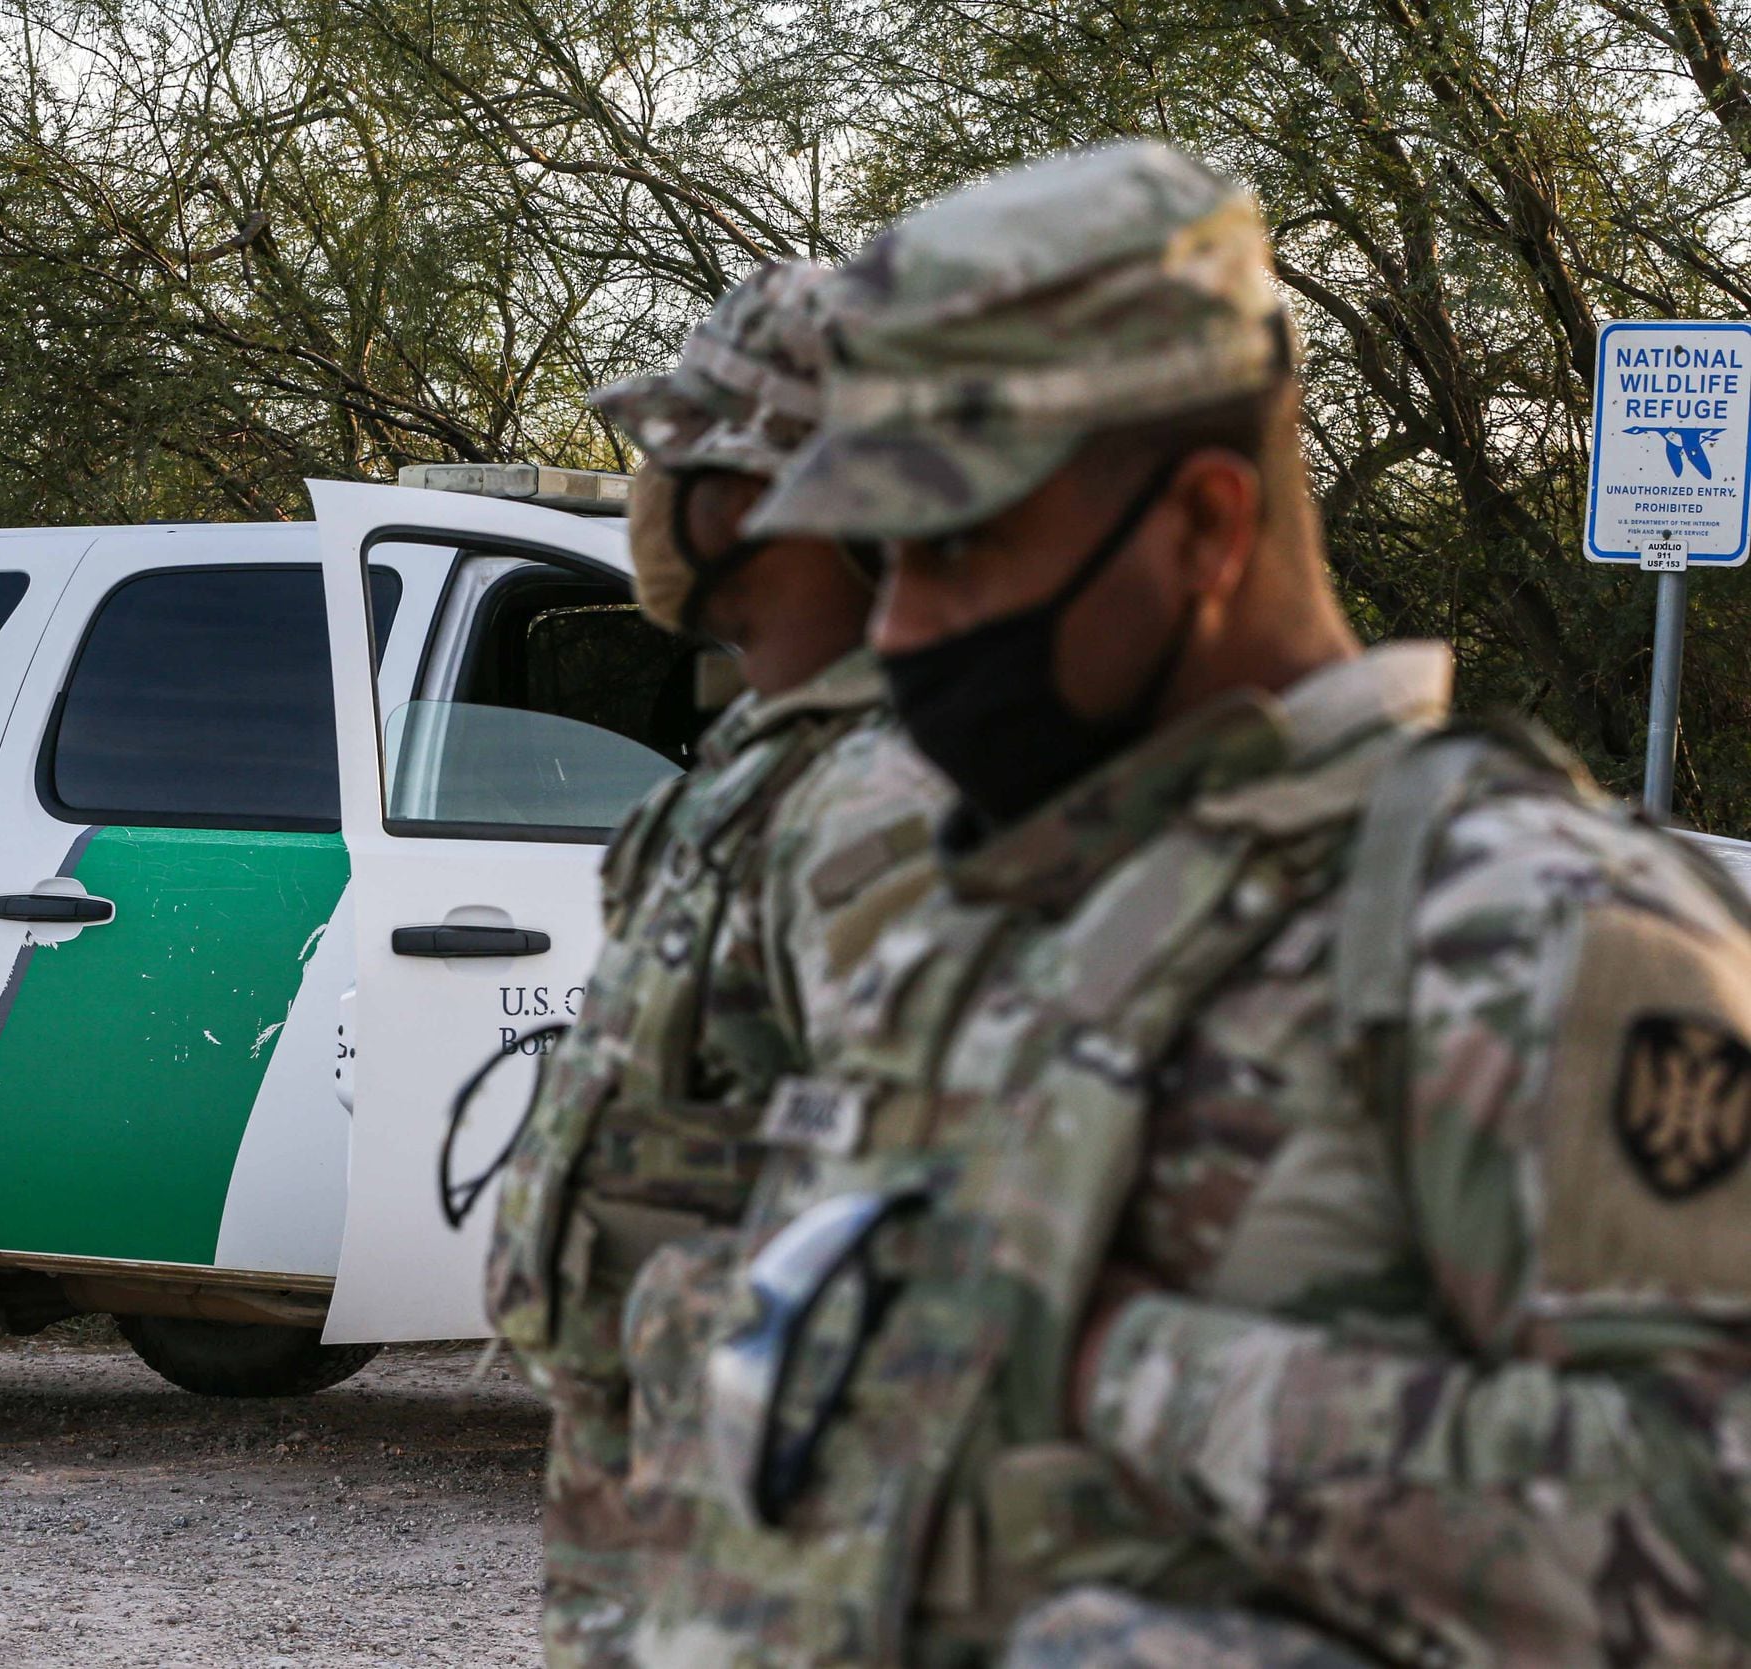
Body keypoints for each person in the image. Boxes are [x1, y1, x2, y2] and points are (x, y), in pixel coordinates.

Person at [630, 139, 1751, 1669]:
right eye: (885, 556)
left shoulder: (1535, 928)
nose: (899, 625)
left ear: (1207, 525)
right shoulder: (997, 910)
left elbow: (1706, 1541)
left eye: (960, 546)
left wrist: (1121, 1362)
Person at [482, 258, 948, 1667]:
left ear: (761, 498)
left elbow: (943, 1272)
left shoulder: (886, 809)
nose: (652, 501)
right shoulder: (769, 762)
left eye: (674, 462)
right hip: (676, 1538)